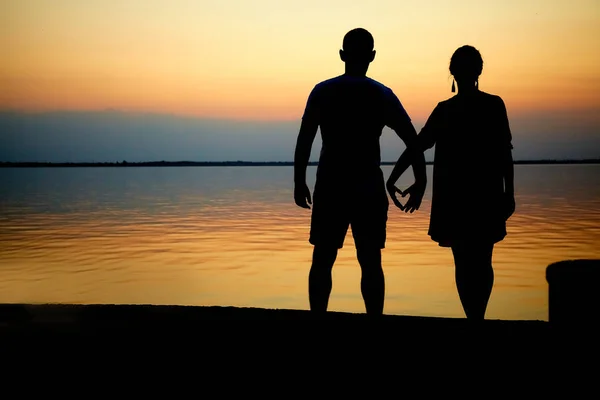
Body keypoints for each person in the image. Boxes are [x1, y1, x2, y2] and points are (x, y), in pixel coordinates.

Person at [293, 28, 427, 316]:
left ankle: (318, 317)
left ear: (342, 55)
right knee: (370, 260)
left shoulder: (323, 91)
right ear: (372, 57)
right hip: (367, 187)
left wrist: (298, 180)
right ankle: (374, 320)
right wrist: (421, 179)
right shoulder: (382, 95)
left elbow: (305, 139)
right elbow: (412, 140)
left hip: (331, 185)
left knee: (323, 258)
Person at [386, 45, 515, 321]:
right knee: (482, 259)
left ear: (453, 72)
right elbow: (505, 153)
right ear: (478, 70)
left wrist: (394, 177)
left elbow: (416, 145)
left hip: (461, 197)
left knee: (465, 261)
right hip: (483, 194)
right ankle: (476, 317)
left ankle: (474, 317)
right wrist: (509, 193)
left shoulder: (451, 109)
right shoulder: (490, 105)